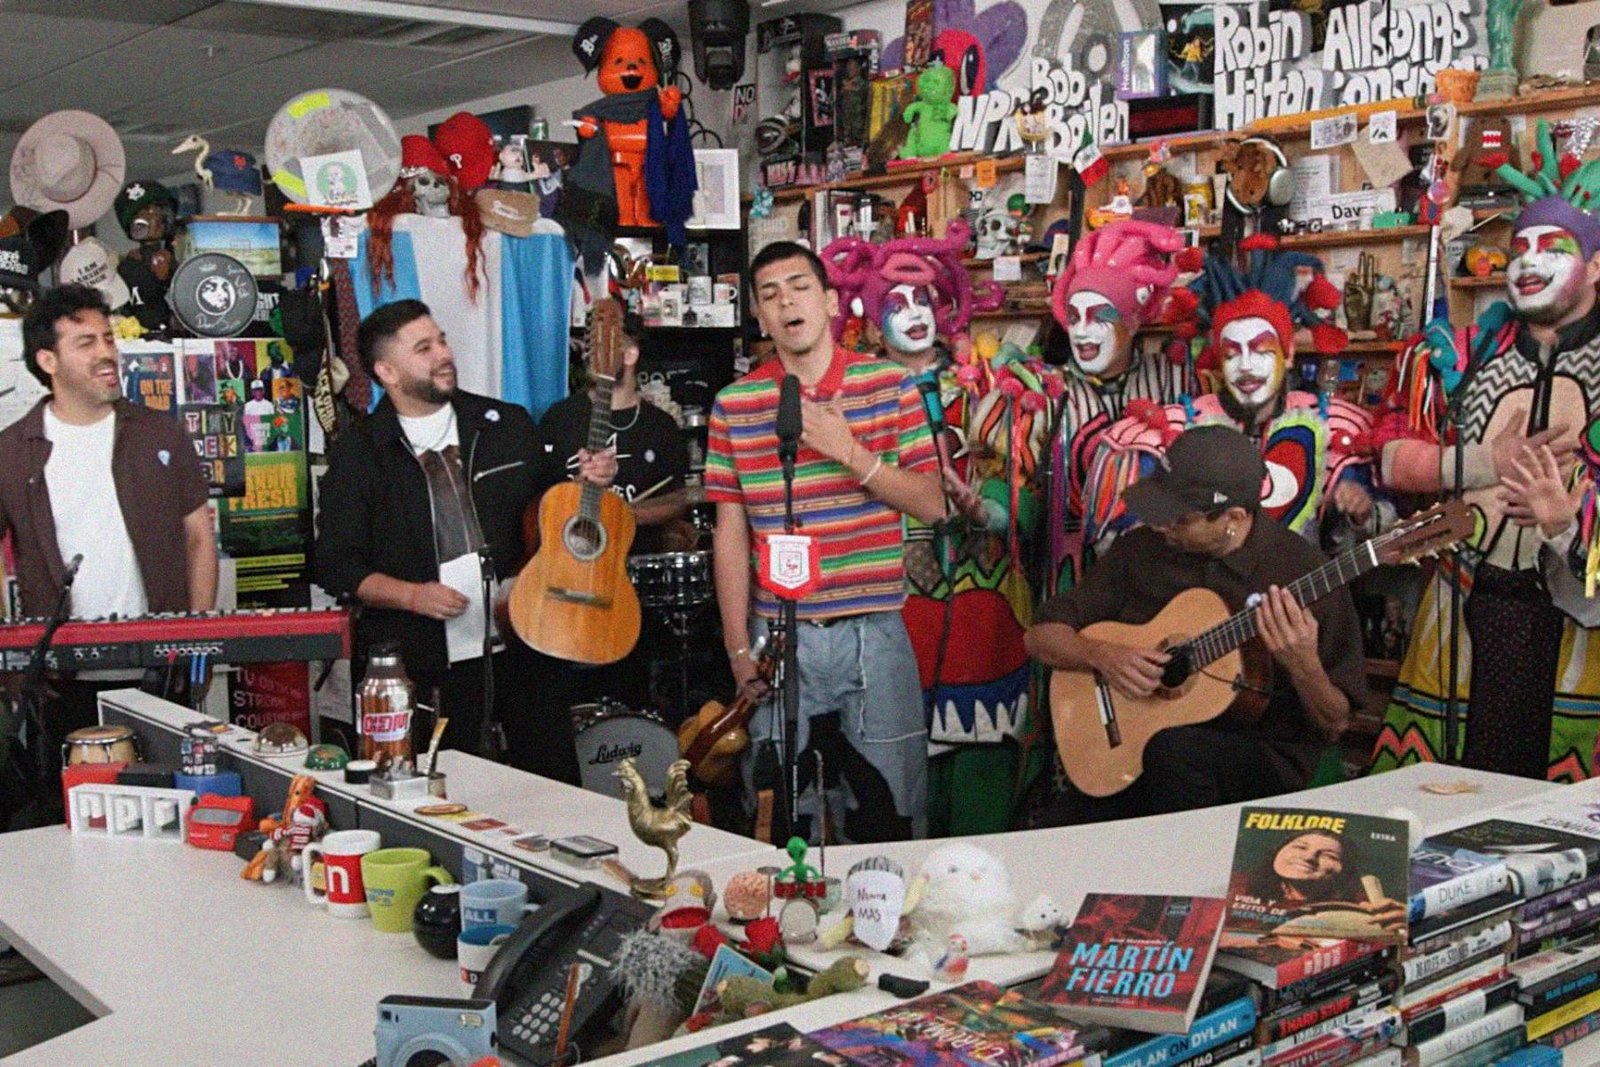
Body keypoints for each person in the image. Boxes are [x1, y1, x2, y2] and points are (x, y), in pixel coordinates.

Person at [1371, 123, 1600, 781]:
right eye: (1518, 247)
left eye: (1551, 248)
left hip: (1578, 633)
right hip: (1464, 615)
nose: (1526, 261)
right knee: (1454, 799)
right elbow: (1387, 458)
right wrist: (1480, 465)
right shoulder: (1458, 357)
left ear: (1596, 266)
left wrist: (1565, 525)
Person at [706, 241, 945, 842]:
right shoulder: (735, 405)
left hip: (874, 628)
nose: (787, 301)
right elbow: (730, 535)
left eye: (800, 286)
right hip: (779, 637)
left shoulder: (888, 384)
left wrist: (850, 453)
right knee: (783, 814)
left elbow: (934, 502)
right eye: (770, 294)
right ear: (760, 318)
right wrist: (739, 650)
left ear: (832, 301)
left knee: (890, 810)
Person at [1025, 425, 1366, 825]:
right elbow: (1039, 637)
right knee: (1057, 834)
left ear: (1233, 518)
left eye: (1178, 519)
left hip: (1258, 758)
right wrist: (1101, 655)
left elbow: (1335, 722)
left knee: (1175, 754)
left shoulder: (1301, 572)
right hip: (1136, 751)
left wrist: (1304, 664)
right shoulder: (1138, 552)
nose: (1159, 526)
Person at [822, 220, 1039, 836]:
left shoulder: (992, 389)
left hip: (984, 610)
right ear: (868, 312)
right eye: (898, 304)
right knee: (889, 785)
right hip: (890, 611)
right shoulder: (852, 395)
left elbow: (1018, 488)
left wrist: (985, 511)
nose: (915, 314)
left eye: (924, 300)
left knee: (981, 779)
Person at [314, 299, 563, 773]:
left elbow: (554, 512)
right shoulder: (360, 453)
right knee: (449, 796)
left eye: (442, 340)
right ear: (387, 371)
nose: (443, 354)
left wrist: (588, 486)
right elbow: (335, 564)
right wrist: (411, 596)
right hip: (428, 664)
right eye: (424, 348)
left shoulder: (505, 424)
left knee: (550, 789)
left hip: (527, 646)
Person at [0, 284, 217, 825]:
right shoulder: (10, 451)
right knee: (72, 819)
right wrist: (11, 653)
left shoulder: (158, 433)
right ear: (46, 360)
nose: (105, 353)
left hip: (161, 668)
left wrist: (199, 640)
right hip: (60, 676)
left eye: (108, 338)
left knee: (174, 813)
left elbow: (198, 538)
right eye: (85, 342)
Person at [513, 319, 690, 759]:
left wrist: (621, 514)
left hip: (625, 587)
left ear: (628, 354)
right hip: (561, 583)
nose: (595, 355)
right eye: (591, 346)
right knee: (552, 705)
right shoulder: (560, 419)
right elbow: (536, 501)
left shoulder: (661, 427)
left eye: (607, 346)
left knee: (627, 701)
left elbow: (679, 500)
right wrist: (579, 485)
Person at [1230, 829, 1407, 937]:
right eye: (1300, 847)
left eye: (1328, 855)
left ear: (1344, 869)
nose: (1308, 857)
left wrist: (1404, 926)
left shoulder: (1360, 905)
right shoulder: (1236, 886)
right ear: (1277, 852)